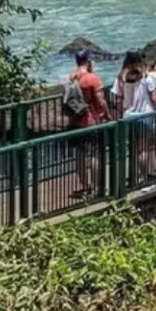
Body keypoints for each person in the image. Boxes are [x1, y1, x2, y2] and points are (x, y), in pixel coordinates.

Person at [68, 49, 109, 199]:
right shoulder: (92, 78)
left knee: (80, 155)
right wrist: (108, 115)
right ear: (88, 61)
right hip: (90, 121)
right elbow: (101, 100)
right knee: (93, 155)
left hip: (74, 121)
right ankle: (98, 188)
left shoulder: (72, 77)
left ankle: (85, 186)